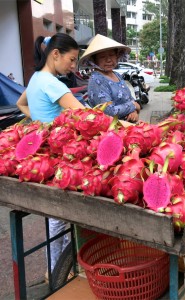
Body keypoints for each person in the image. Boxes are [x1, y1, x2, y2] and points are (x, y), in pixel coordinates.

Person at [16, 33, 85, 276]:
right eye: (72, 59)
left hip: (43, 155)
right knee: (59, 218)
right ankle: (58, 271)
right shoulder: (53, 84)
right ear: (55, 54)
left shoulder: (36, 78)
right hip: (59, 157)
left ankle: (56, 268)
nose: (73, 66)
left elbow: (20, 103)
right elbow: (88, 117)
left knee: (53, 217)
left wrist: (40, 124)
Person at [78, 34, 140, 123]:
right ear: (94, 60)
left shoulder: (117, 75)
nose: (108, 60)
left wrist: (134, 112)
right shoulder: (96, 80)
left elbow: (129, 98)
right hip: (111, 131)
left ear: (117, 56)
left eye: (111, 55)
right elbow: (108, 111)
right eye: (102, 57)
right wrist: (133, 106)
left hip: (127, 127)